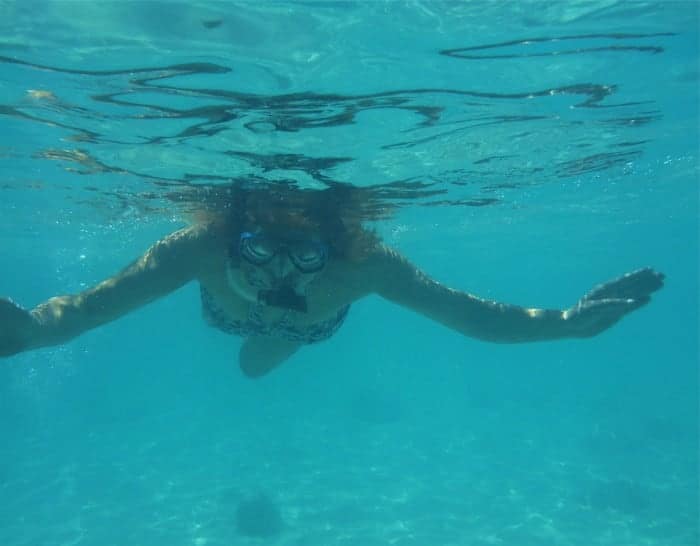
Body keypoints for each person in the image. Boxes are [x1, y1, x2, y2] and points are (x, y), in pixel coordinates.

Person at [0, 183, 664, 378]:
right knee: (249, 361)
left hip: (309, 331)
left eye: (306, 255)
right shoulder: (198, 248)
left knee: (260, 365)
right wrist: (32, 333)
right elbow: (98, 306)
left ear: (332, 249)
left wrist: (567, 327)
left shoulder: (366, 266)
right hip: (227, 315)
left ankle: (270, 354)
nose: (280, 269)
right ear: (237, 234)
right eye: (259, 247)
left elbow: (471, 317)